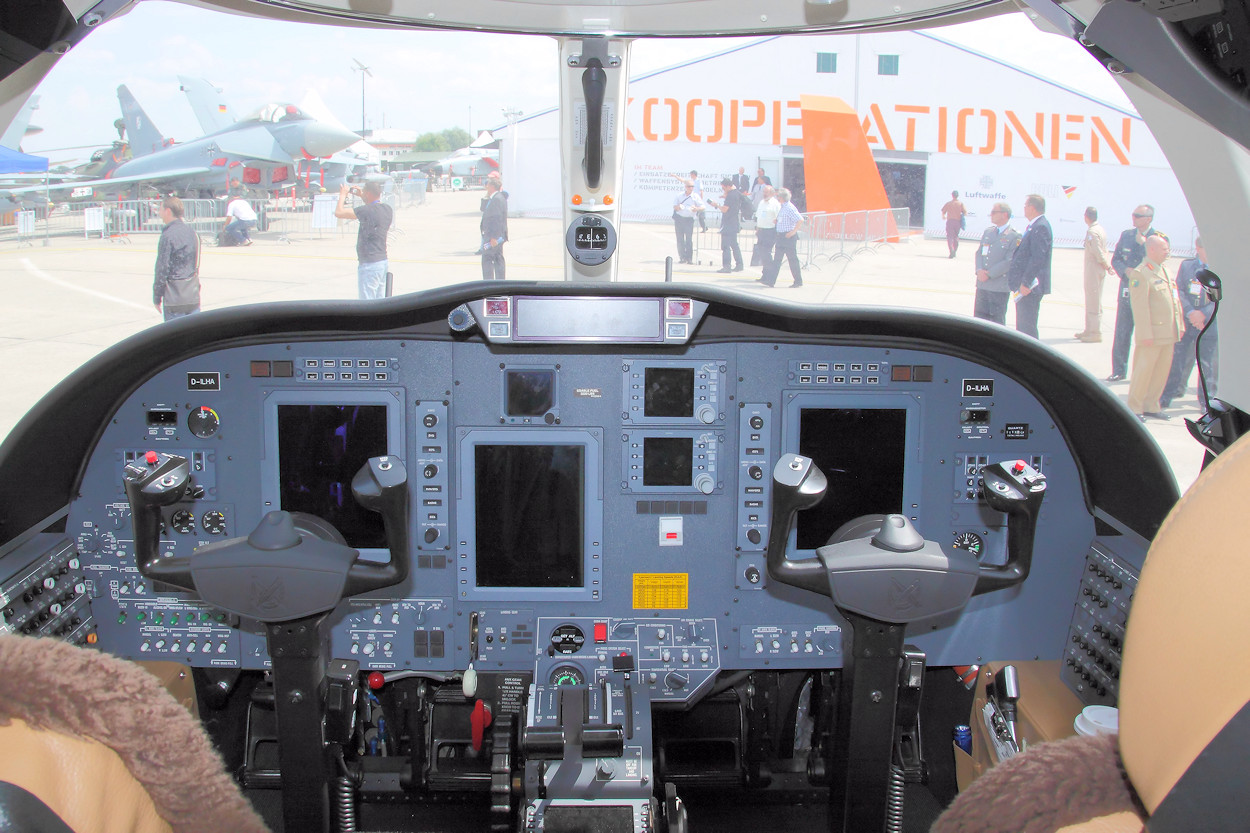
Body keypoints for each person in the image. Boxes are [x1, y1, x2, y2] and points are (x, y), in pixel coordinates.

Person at [1126, 234, 1183, 421]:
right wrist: (1145, 334)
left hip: (1168, 332)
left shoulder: (1165, 270)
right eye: (1164, 249)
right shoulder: (1141, 273)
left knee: (1161, 371)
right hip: (1152, 333)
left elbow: (1174, 300)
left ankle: (1152, 404)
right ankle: (1135, 407)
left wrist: (1179, 324)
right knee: (1144, 371)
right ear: (1151, 250)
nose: (1167, 251)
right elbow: (1140, 308)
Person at [1161, 237, 1218, 409]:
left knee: (1206, 364)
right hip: (1187, 322)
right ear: (1198, 248)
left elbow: (1220, 296)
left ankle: (1206, 401)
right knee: (1177, 360)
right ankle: (1167, 395)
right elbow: (1179, 291)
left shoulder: (1218, 268)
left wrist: (1203, 315)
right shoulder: (1187, 266)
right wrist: (1191, 313)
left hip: (1208, 324)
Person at [1107, 204, 1158, 381]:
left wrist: (1144, 246)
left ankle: (1142, 373)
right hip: (1127, 291)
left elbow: (1157, 264)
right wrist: (1124, 271)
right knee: (1122, 332)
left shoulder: (1157, 238)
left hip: (1147, 294)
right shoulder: (1127, 235)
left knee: (1145, 335)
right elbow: (1116, 259)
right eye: (1133, 215)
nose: (1134, 218)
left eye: (1138, 216)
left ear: (1148, 219)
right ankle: (1118, 370)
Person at [335, 180, 393, 299]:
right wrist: (363, 195)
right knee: (380, 301)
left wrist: (342, 195)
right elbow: (373, 206)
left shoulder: (366, 211)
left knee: (367, 302)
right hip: (382, 260)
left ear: (368, 193)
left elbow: (339, 212)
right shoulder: (387, 209)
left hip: (369, 263)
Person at [1005, 193, 1052, 339]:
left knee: (1027, 329)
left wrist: (1025, 282)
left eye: (1025, 206)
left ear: (1032, 207)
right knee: (1023, 327)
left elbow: (1038, 258)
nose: (1024, 209)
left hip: (1030, 287)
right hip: (1025, 286)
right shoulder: (1034, 226)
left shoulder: (1041, 226)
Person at [152, 195, 201, 322]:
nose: (159, 213)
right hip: (192, 294)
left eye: (161, 209)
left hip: (175, 298)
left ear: (168, 211)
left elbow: (162, 268)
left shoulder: (168, 235)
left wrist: (157, 296)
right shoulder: (191, 232)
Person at [972, 202, 1020, 326]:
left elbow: (1009, 261)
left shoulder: (1014, 235)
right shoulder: (988, 232)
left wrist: (990, 274)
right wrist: (979, 270)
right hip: (982, 284)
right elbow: (979, 253)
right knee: (979, 321)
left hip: (998, 287)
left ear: (1004, 214)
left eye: (994, 212)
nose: (991, 215)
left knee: (996, 323)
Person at [1076, 206, 1113, 342]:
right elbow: (1105, 249)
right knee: (1092, 298)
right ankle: (1088, 329)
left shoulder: (1092, 231)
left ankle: (1095, 332)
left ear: (1086, 217)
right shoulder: (1100, 229)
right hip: (1097, 267)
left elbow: (1097, 252)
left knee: (1093, 301)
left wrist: (1106, 265)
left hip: (1094, 267)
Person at [760, 187, 803, 288]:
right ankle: (771, 281)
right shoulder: (782, 207)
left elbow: (800, 220)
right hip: (781, 237)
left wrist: (793, 232)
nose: (777, 197)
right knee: (777, 260)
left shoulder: (789, 207)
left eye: (778, 196)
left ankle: (798, 281)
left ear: (782, 197)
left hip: (788, 237)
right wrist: (777, 221)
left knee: (792, 260)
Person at [710, 177, 744, 273]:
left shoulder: (730, 196)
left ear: (728, 186)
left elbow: (725, 209)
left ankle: (727, 266)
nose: (723, 190)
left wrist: (716, 205)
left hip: (728, 223)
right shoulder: (736, 193)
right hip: (734, 222)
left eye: (724, 188)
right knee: (734, 244)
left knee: (725, 246)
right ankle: (739, 264)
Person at [479, 177, 508, 280]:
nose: (486, 187)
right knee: (498, 258)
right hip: (498, 235)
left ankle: (488, 283)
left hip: (494, 236)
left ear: (492, 186)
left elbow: (496, 219)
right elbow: (483, 208)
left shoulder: (496, 199)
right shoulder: (497, 197)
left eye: (488, 185)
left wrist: (493, 237)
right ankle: (500, 282)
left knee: (487, 259)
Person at [672, 181, 703, 265]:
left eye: (692, 186)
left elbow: (703, 206)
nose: (691, 188)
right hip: (679, 219)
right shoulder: (679, 195)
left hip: (689, 219)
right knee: (680, 239)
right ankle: (682, 257)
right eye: (689, 186)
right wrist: (678, 207)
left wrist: (696, 208)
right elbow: (674, 206)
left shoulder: (695, 196)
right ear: (685, 187)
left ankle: (689, 258)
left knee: (689, 239)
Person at [752, 185, 780, 271]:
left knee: (766, 253)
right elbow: (759, 216)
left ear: (771, 193)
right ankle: (765, 274)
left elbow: (779, 218)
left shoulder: (775, 204)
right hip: (761, 231)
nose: (764, 194)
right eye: (764, 192)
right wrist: (757, 228)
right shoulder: (761, 202)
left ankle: (769, 273)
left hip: (770, 231)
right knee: (762, 253)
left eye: (766, 192)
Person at [941, 190, 967, 258]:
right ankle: (955, 250)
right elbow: (965, 212)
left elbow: (943, 211)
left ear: (952, 195)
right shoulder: (960, 204)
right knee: (956, 236)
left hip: (950, 222)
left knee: (950, 236)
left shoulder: (949, 203)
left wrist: (943, 216)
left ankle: (951, 250)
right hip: (957, 222)